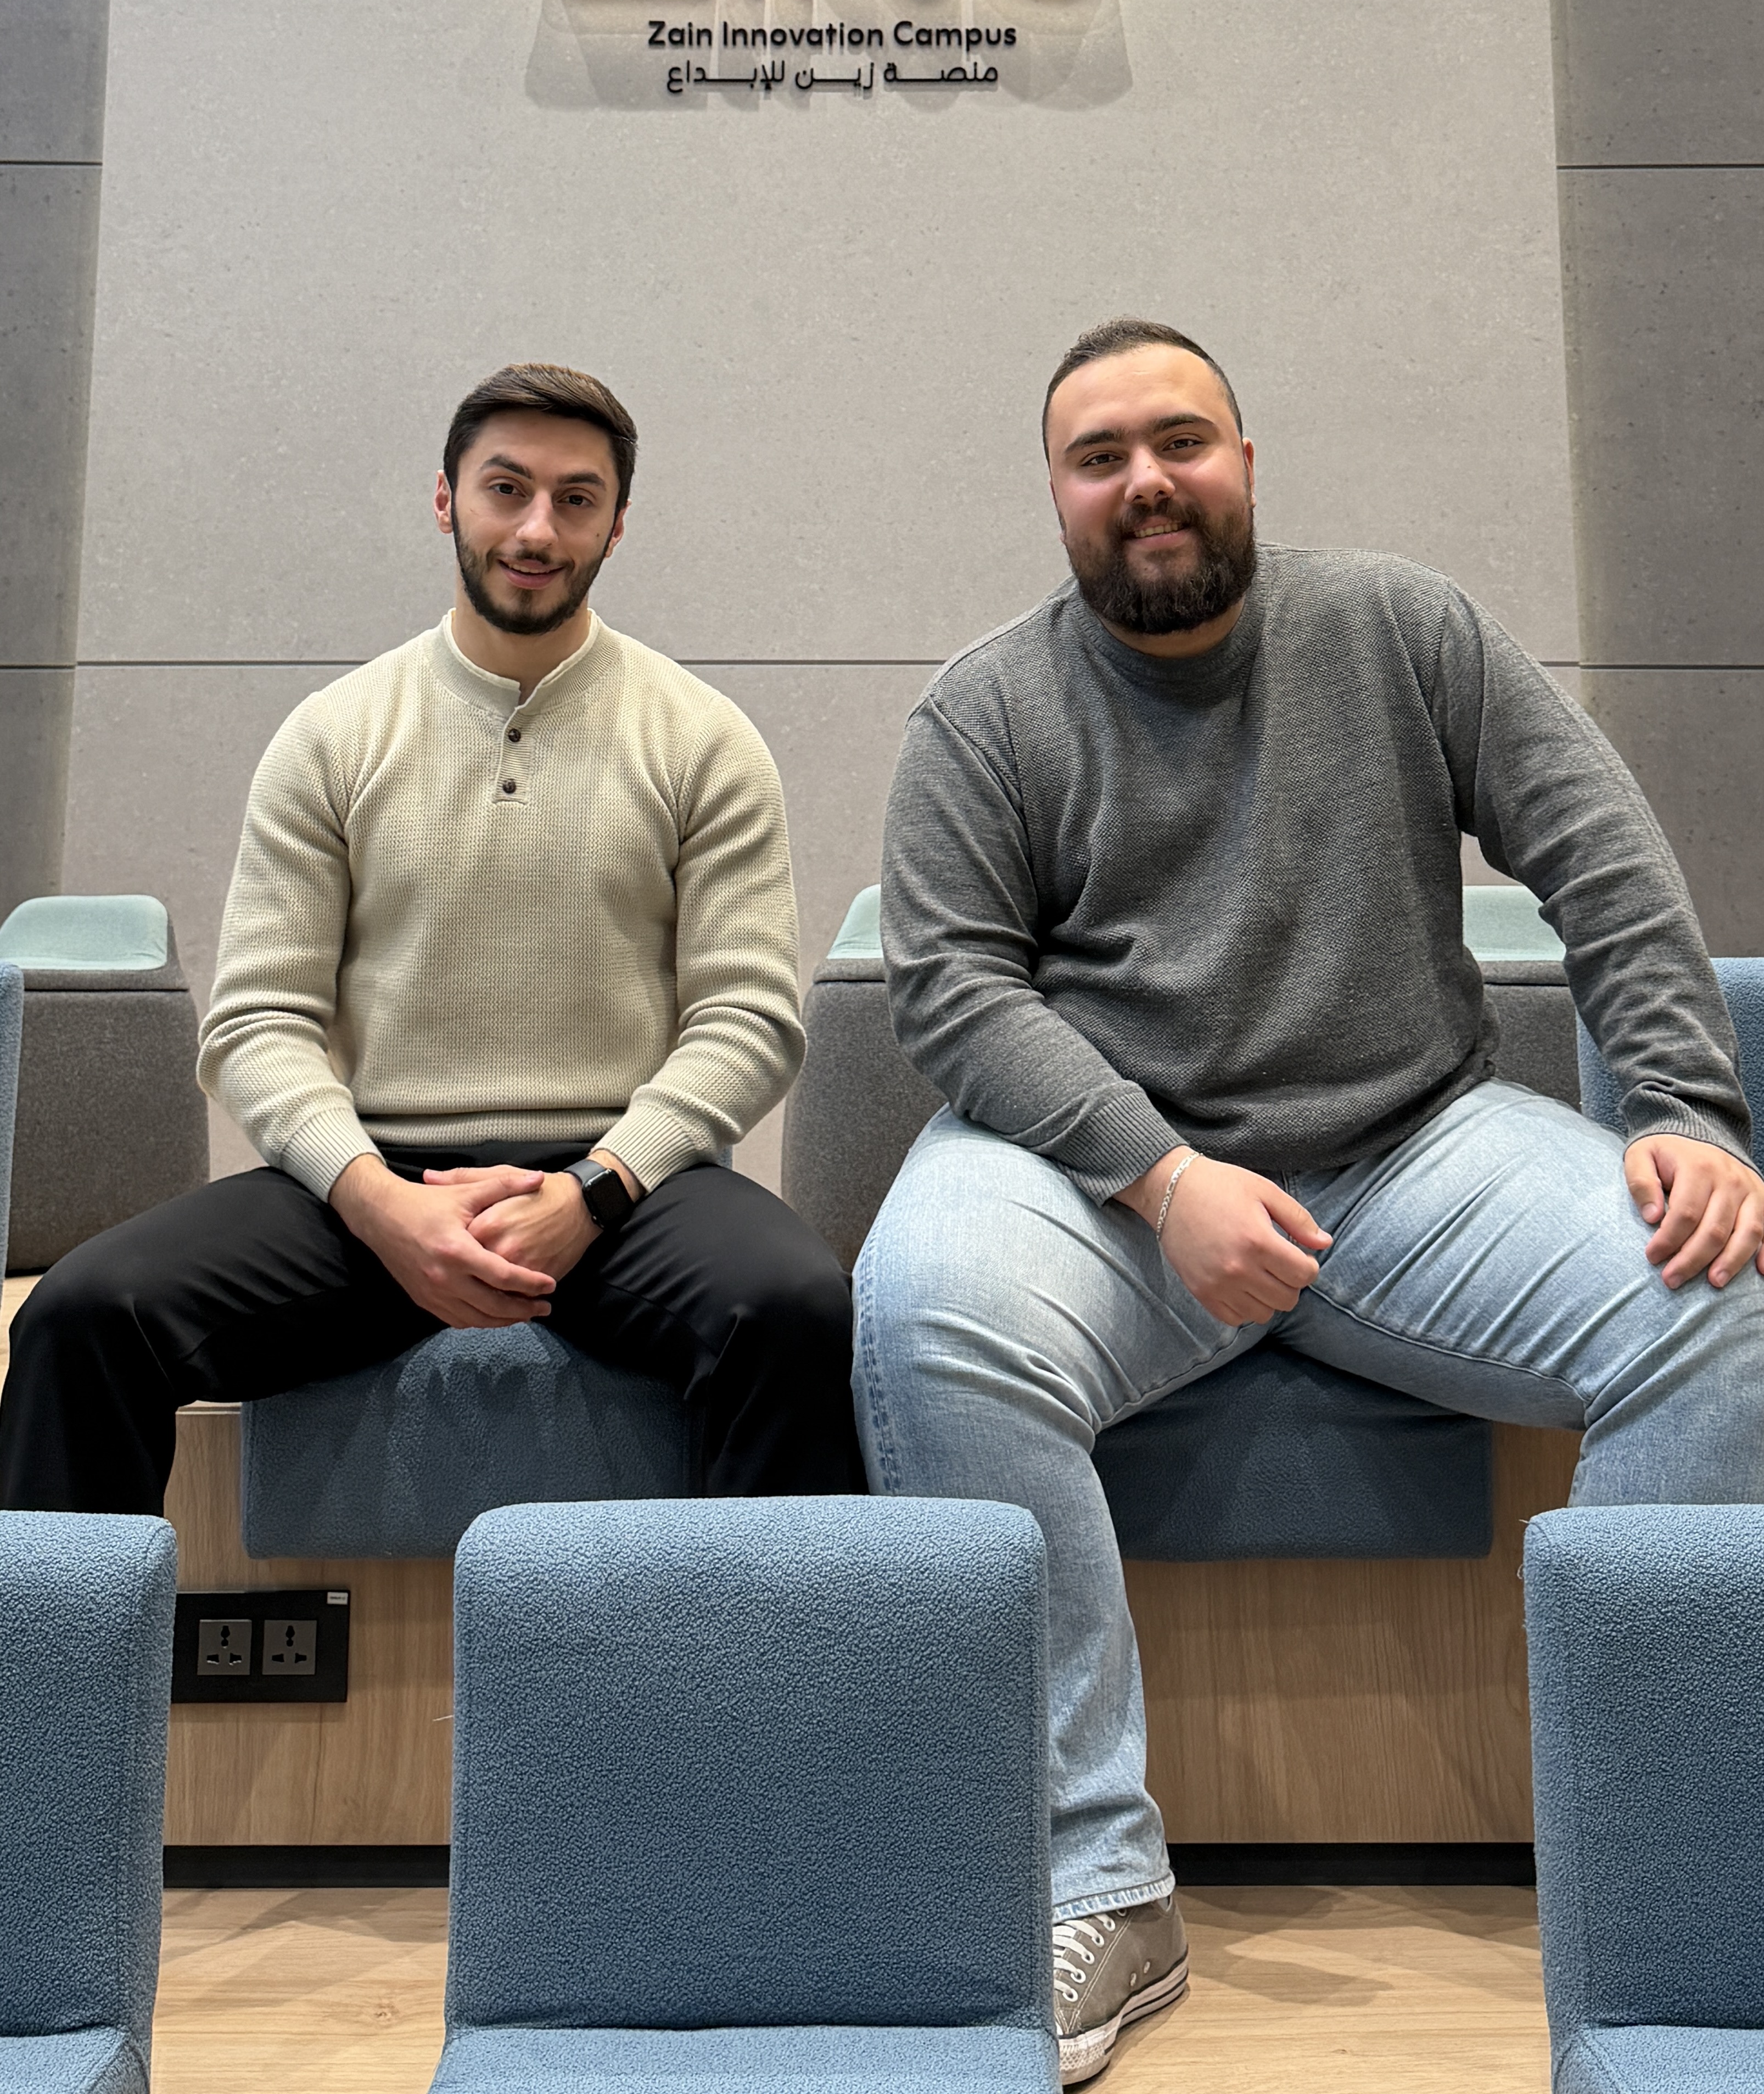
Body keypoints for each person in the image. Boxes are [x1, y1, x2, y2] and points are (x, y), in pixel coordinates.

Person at [855, 316, 1764, 2087]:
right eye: (1098, 457)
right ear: (1054, 494)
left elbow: (1602, 860)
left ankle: (1653, 1874)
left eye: (1178, 441)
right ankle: (1093, 1885)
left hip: (1407, 1150)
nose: (1145, 482)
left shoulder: (1403, 629)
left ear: (1246, 463)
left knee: (1711, 1298)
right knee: (922, 1313)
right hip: (1102, 1185)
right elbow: (951, 991)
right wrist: (1157, 1172)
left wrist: (1683, 1110)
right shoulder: (985, 706)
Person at [1, 360, 864, 1513]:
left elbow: (746, 1022)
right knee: (82, 1315)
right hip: (368, 1184)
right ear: (446, 498)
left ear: (617, 524)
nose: (537, 528)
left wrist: (592, 1193)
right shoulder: (333, 735)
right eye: (506, 488)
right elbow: (259, 1024)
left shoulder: (704, 739)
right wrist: (376, 1202)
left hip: (627, 1189)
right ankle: (62, 1646)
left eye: (576, 498)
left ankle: (748, 1645)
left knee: (793, 1307)